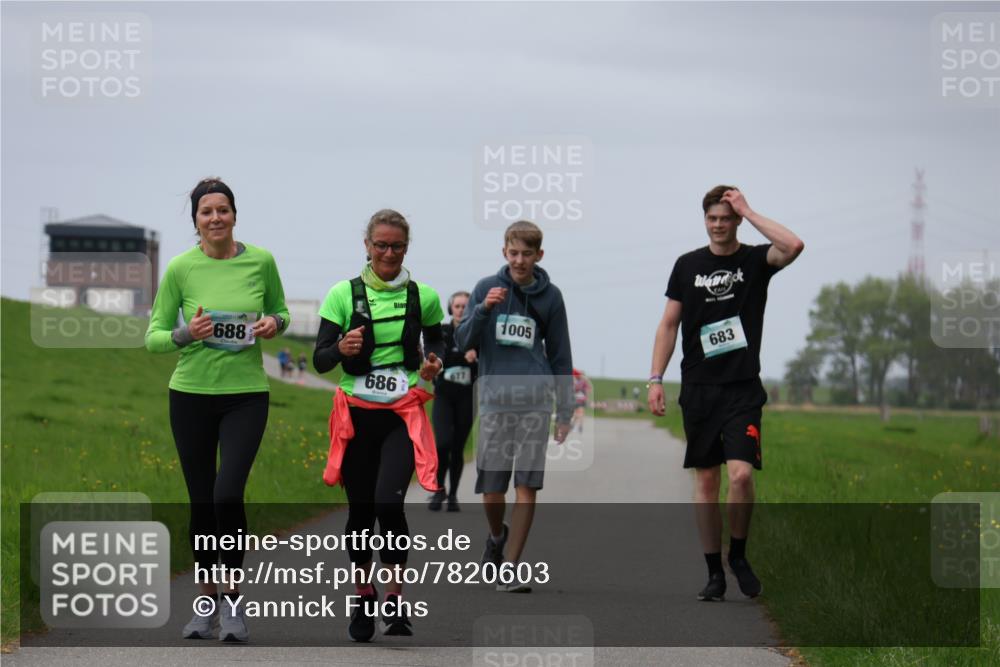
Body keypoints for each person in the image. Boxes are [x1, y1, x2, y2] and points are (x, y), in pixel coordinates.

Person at [145, 177, 290, 642]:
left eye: (222, 209)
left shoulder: (261, 261)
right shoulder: (181, 269)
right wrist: (187, 333)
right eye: (206, 212)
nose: (215, 218)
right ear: (196, 220)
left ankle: (232, 602)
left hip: (246, 395)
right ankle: (205, 605)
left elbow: (282, 311)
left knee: (227, 494)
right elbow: (153, 337)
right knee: (202, 501)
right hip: (190, 395)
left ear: (234, 215)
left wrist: (274, 323)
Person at [647, 185, 803, 602]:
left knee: (741, 475)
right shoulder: (687, 265)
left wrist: (748, 210)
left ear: (736, 222)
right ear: (705, 220)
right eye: (712, 218)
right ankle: (714, 572)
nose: (718, 225)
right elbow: (668, 324)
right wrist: (656, 379)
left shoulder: (755, 261)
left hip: (742, 389)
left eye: (725, 218)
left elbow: (793, 245)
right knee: (706, 480)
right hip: (699, 388)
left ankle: (739, 554)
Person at [313, 209, 444, 641]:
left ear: (407, 247)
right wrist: (341, 348)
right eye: (381, 245)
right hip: (356, 417)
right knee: (361, 511)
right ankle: (364, 595)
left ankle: (394, 599)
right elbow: (320, 359)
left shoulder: (423, 296)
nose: (389, 253)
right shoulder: (342, 294)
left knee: (389, 505)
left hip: (400, 415)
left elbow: (436, 341)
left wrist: (434, 363)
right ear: (367, 246)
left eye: (397, 246)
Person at [455, 220, 573, 593]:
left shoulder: (551, 297)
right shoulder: (484, 288)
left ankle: (510, 568)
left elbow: (560, 355)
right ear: (504, 252)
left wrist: (565, 411)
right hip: (494, 402)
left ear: (539, 255)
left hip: (535, 402)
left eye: (527, 254)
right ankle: (496, 535)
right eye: (514, 253)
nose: (520, 260)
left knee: (526, 485)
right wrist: (483, 310)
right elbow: (462, 341)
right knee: (492, 487)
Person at [429, 291, 478, 512]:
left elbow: (487, 365)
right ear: (451, 309)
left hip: (467, 397)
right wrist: (462, 357)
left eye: (465, 306)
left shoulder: (476, 335)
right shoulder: (443, 332)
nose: (460, 310)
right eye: (457, 306)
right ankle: (438, 490)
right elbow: (436, 358)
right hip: (444, 395)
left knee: (458, 447)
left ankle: (453, 495)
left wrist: (476, 359)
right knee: (442, 444)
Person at [571, 368, 589, 434]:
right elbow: (587, 390)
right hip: (580, 399)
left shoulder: (578, 381)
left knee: (577, 413)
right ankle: (578, 426)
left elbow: (574, 389)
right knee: (579, 413)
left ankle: (575, 425)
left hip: (578, 399)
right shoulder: (584, 382)